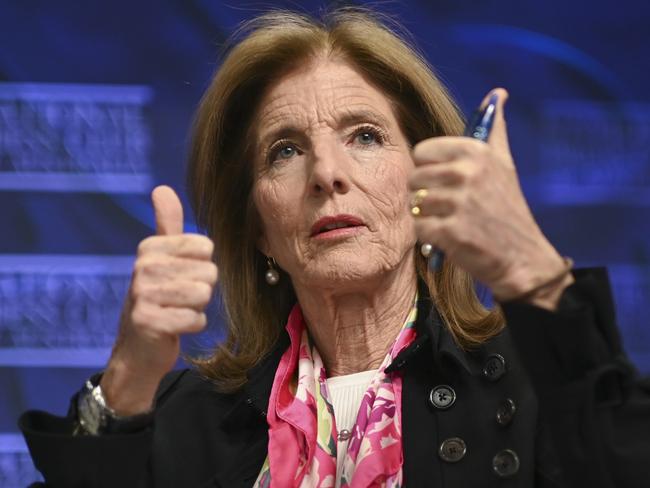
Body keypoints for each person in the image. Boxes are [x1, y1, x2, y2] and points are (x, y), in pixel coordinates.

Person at [19, 7, 650, 488]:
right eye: (285, 151)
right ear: (260, 231)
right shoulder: (192, 423)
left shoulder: (537, 383)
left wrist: (530, 270)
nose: (326, 172)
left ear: (425, 186)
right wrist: (129, 378)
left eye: (367, 137)